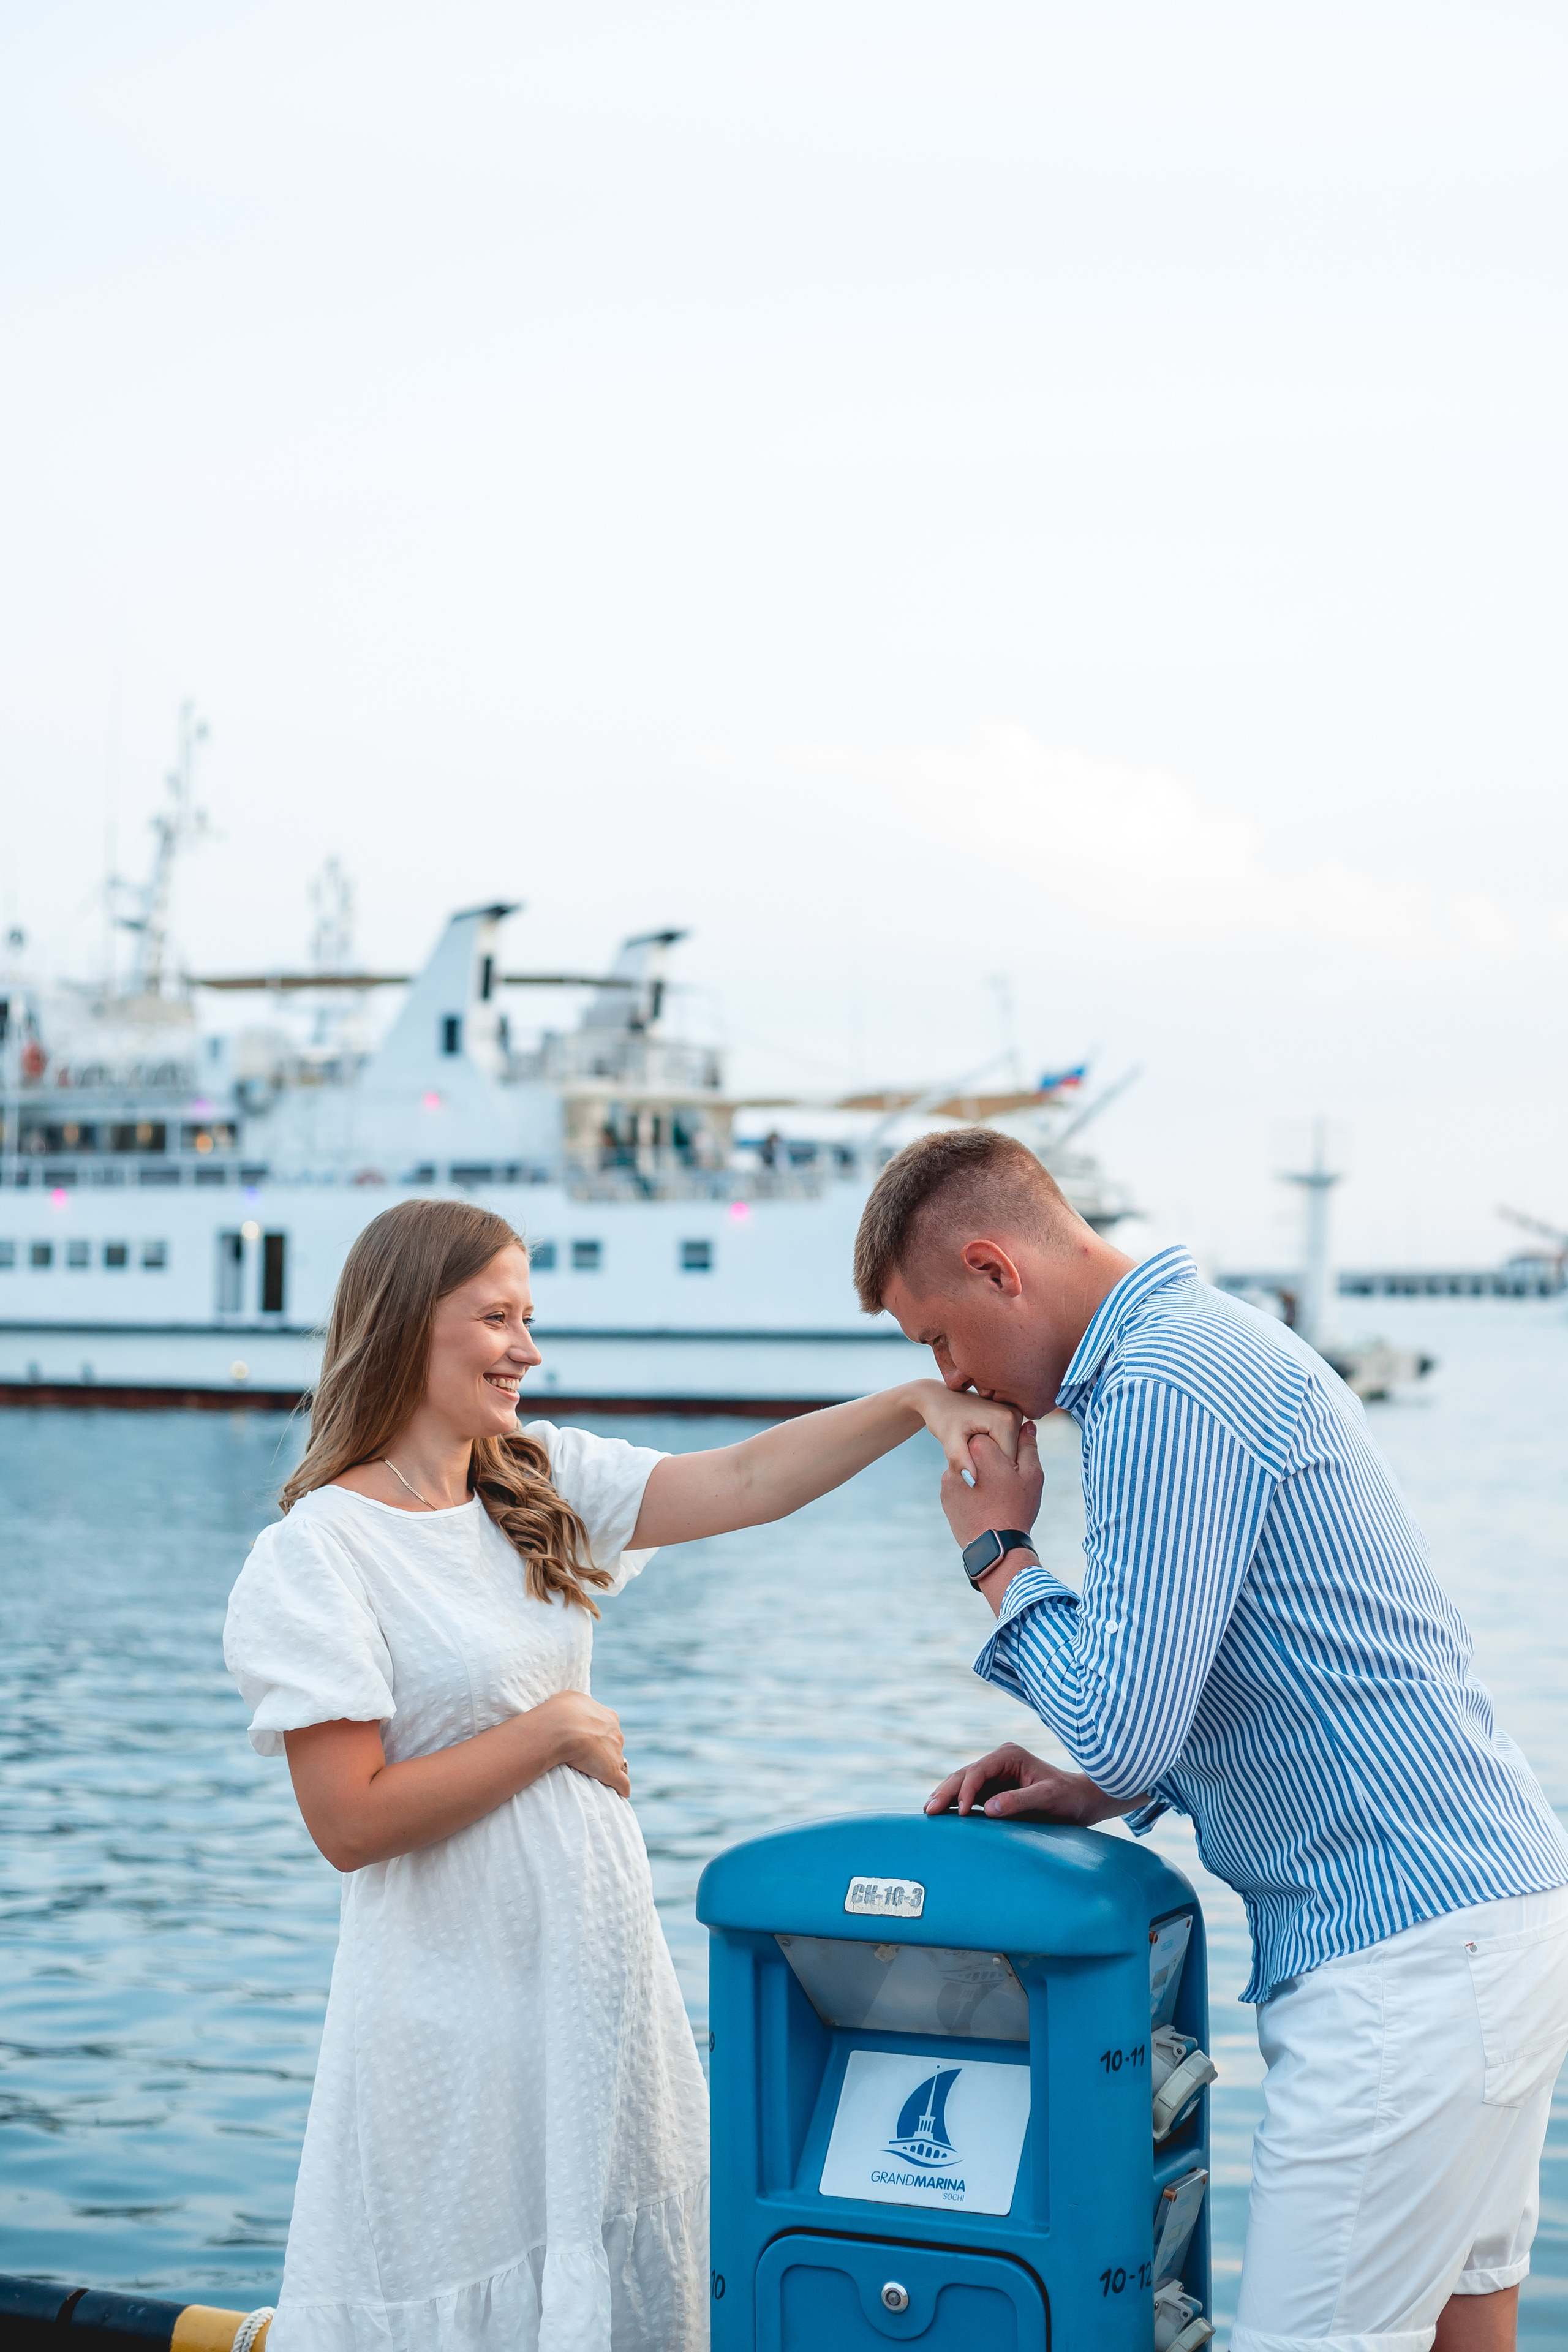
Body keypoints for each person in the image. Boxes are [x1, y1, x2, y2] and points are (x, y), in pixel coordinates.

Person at [223, 1196, 1020, 2352]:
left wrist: (911, 1405)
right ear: (404, 1323)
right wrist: (549, 1734)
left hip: (593, 1987)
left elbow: (745, 1481)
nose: (528, 1350)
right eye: (498, 1317)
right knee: (471, 2277)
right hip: (451, 2010)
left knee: (620, 2273)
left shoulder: (535, 1480)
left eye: (529, 1316)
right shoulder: (319, 1554)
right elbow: (348, 1822)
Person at [853, 1128, 1568, 2352]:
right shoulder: (1209, 1348)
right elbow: (1264, 1671)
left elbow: (1126, 1727)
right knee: (1465, 2328)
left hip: (1399, 1960)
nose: (955, 1379)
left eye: (937, 1339)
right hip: (1479, 1916)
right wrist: (1092, 1787)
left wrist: (997, 1553)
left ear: (993, 1267)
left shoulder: (1158, 1383)